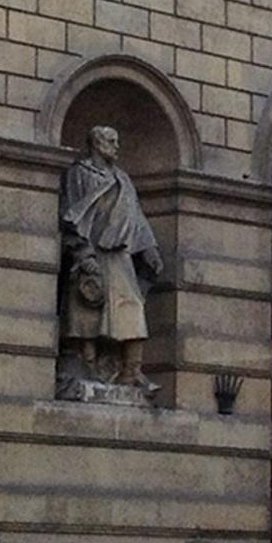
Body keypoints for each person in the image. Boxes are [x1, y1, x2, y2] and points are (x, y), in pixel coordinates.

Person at [59, 124, 164, 394]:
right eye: (111, 141)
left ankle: (131, 371)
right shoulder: (79, 174)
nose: (117, 146)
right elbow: (71, 214)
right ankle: (87, 367)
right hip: (92, 255)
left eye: (117, 141)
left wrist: (149, 249)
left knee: (132, 309)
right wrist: (83, 254)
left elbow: (136, 216)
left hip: (121, 256)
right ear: (96, 143)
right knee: (88, 313)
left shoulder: (123, 178)